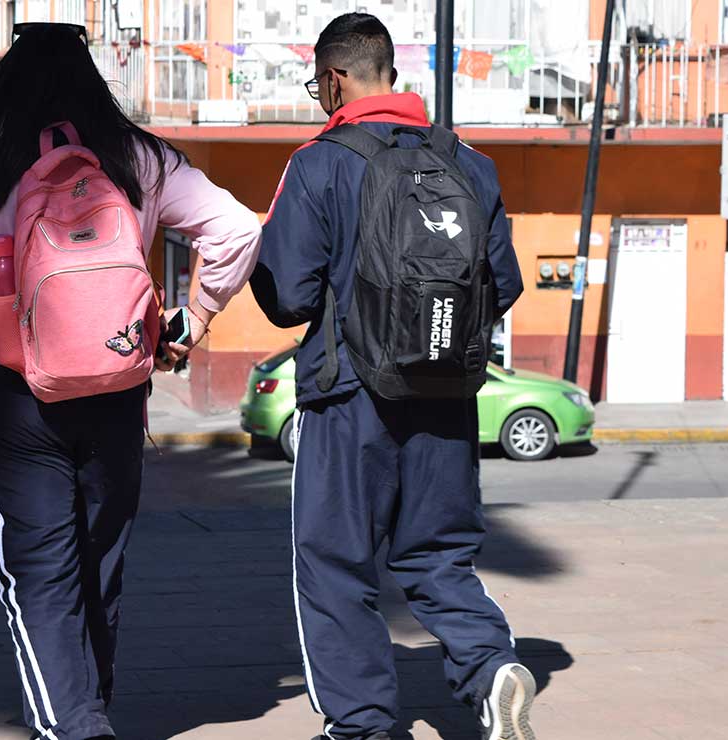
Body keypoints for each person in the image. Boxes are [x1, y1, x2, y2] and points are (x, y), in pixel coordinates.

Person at [0, 24, 260, 740]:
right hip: (119, 380)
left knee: (37, 570)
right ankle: (85, 710)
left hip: (13, 391)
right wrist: (194, 317)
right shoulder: (137, 158)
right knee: (100, 559)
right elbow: (238, 230)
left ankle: (71, 726)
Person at [250, 14, 530, 740]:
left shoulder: (318, 162)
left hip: (348, 398)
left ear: (335, 78)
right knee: (438, 553)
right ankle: (490, 664)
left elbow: (288, 297)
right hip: (446, 397)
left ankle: (361, 725)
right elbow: (504, 284)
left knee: (335, 566)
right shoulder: (470, 164)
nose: (318, 96)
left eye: (318, 83)